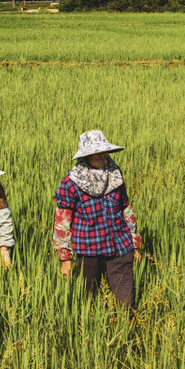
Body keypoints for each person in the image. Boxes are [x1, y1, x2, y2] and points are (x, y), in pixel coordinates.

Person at [52, 130, 141, 309]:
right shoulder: (71, 182)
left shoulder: (115, 175)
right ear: (86, 156)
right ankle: (89, 329)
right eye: (95, 152)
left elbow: (125, 207)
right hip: (88, 245)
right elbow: (63, 219)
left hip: (119, 242)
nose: (101, 155)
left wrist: (134, 242)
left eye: (103, 151)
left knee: (125, 298)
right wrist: (65, 257)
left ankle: (127, 326)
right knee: (87, 297)